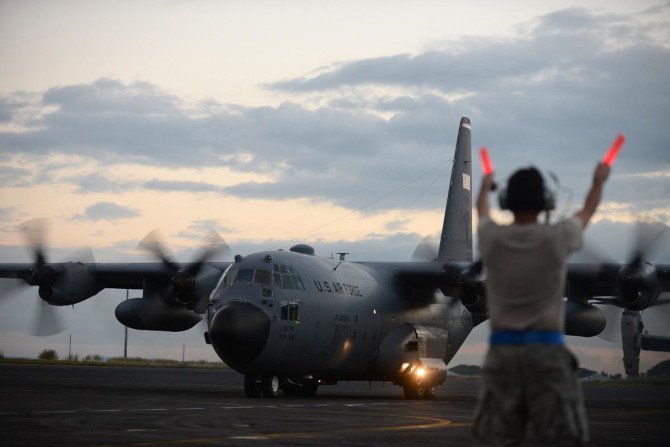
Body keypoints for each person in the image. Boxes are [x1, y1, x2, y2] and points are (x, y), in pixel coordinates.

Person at [472, 162, 610, 446]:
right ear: (546, 201)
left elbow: (482, 211)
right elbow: (587, 211)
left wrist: (485, 185)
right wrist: (598, 181)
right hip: (546, 355)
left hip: (502, 356)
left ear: (506, 201)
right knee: (563, 439)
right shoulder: (558, 237)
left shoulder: (491, 238)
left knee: (494, 440)